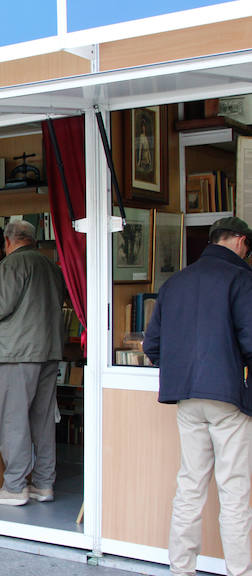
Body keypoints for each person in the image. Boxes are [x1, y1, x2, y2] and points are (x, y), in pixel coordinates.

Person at [143, 216, 252, 576]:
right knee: (234, 490)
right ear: (238, 240)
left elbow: (152, 345)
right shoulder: (240, 279)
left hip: (187, 398)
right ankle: (240, 571)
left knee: (190, 485)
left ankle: (182, 568)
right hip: (227, 397)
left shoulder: (175, 283)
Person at [0, 220, 64, 506]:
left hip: (14, 353)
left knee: (13, 420)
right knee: (43, 421)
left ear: (8, 242)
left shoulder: (12, 266)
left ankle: (15, 485)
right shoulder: (51, 267)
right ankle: (43, 484)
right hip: (48, 350)